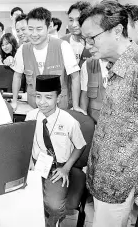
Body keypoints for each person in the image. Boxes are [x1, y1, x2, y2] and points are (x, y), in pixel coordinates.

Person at [79, 0, 138, 227]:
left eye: (92, 38)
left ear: (117, 31)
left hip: (120, 180)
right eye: (84, 39)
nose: (87, 45)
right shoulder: (115, 64)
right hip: (104, 173)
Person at [25, 75, 86, 227]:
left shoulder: (69, 121)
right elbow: (25, 142)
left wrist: (66, 168)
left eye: (48, 97)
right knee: (26, 199)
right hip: (36, 165)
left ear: (58, 98)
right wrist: (29, 163)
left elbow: (80, 145)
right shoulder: (30, 116)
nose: (42, 102)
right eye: (38, 96)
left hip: (58, 168)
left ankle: (50, 224)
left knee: (53, 206)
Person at [10, 7, 84, 115]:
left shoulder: (63, 46)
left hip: (59, 107)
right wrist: (14, 101)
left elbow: (75, 76)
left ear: (48, 27)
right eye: (30, 29)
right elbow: (17, 76)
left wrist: (76, 105)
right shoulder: (23, 49)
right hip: (34, 107)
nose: (34, 34)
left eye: (39, 29)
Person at [61, 1, 92, 67]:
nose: (74, 25)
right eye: (71, 20)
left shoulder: (95, 43)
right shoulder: (62, 42)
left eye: (78, 20)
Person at [79, 57, 109, 123]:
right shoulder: (88, 64)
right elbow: (84, 95)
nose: (88, 47)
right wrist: (83, 121)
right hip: (95, 121)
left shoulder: (124, 62)